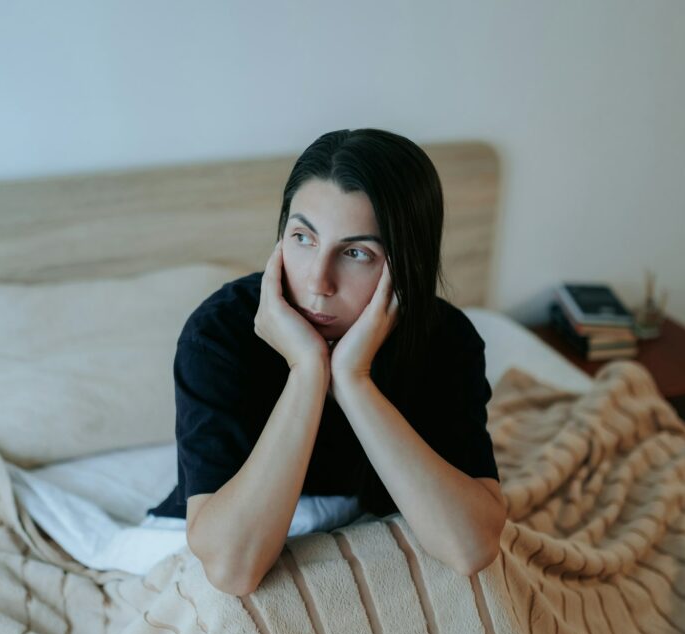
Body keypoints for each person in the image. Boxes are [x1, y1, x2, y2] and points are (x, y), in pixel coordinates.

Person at [147, 128, 507, 596]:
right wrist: (307, 370)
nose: (319, 282)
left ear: (408, 263)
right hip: (237, 530)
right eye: (303, 238)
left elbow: (470, 548)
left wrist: (353, 380)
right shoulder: (218, 335)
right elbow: (233, 571)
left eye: (356, 253)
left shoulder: (446, 339)